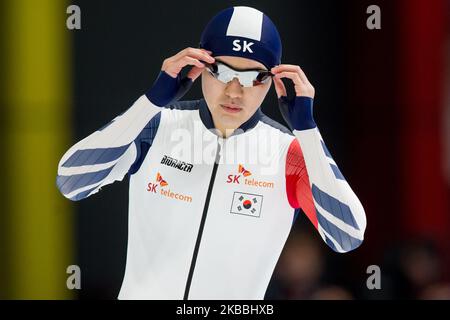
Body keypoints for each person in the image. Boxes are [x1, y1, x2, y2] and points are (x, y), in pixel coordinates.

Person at [56, 6, 366, 299]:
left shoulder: (288, 152)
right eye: (221, 71)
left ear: (274, 80)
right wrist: (151, 101)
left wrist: (308, 131)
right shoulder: (156, 126)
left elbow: (346, 235)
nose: (234, 91)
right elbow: (72, 182)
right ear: (200, 64)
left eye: (253, 77)